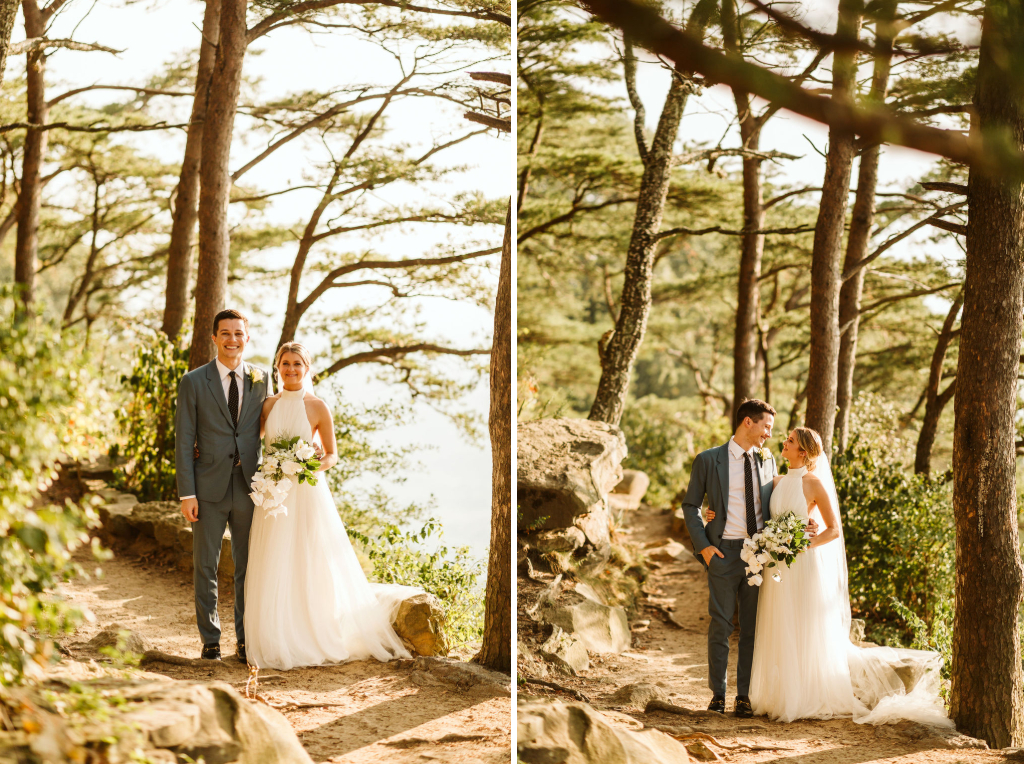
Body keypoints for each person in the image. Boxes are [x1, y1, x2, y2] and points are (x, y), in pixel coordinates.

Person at [746, 427, 952, 726]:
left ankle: (803, 696)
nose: (784, 443)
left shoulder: (813, 483)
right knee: (780, 624)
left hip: (802, 565)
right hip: (778, 566)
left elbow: (833, 529)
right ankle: (777, 695)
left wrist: (800, 544)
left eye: (790, 441)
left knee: (802, 626)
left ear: (802, 452)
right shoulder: (776, 480)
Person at [243, 342, 420, 670]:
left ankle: (312, 633)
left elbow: (332, 455)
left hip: (307, 494)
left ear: (307, 368)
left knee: (310, 560)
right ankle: (275, 638)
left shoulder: (317, 406)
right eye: (285, 363)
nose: (291, 369)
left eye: (297, 364)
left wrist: (305, 465)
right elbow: (249, 439)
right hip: (274, 496)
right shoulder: (267, 405)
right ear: (277, 367)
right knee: (273, 560)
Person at [679, 399, 818, 717]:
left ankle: (744, 696)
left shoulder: (769, 462)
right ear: (747, 423)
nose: (770, 434)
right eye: (766, 426)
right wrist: (704, 545)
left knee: (753, 628)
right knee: (721, 624)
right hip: (722, 553)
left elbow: (784, 499)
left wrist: (804, 522)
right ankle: (718, 695)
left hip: (760, 554)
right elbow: (690, 505)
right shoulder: (708, 459)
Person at [175, 309, 269, 662]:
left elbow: (264, 427)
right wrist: (187, 493)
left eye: (238, 333)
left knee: (249, 566)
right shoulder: (194, 381)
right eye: (225, 333)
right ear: (213, 338)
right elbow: (184, 439)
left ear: (247, 337)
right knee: (206, 566)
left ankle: (246, 640)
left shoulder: (261, 379)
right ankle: (210, 639)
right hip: (207, 488)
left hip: (249, 487)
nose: (232, 339)